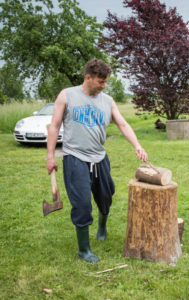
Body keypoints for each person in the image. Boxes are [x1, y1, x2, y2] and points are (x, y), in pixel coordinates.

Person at [46, 58, 148, 262]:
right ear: (88, 78)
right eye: (101, 81)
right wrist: (50, 156)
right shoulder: (67, 95)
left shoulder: (107, 100)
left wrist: (137, 145)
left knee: (106, 196)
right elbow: (55, 126)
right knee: (82, 203)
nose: (104, 86)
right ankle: (83, 249)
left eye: (105, 82)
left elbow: (123, 125)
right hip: (75, 157)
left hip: (99, 157)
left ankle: (102, 225)